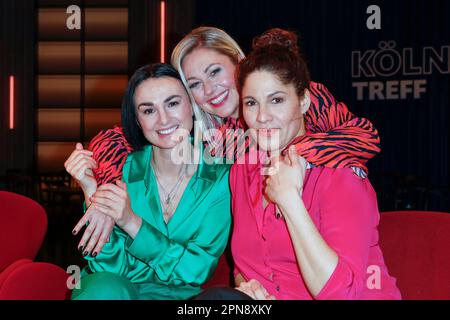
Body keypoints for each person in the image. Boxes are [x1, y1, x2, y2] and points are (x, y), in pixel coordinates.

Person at [72, 26, 381, 261]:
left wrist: (289, 155)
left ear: (239, 62)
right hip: (245, 256)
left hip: (324, 237)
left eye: (215, 72)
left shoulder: (291, 95)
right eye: (194, 84)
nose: (209, 90)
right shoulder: (206, 133)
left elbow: (364, 136)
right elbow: (112, 138)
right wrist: (106, 195)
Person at [224, 28, 401, 300]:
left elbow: (340, 294)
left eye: (277, 100)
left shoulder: (339, 173)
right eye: (251, 103)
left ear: (304, 101)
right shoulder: (242, 170)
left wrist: (289, 200)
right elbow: (245, 265)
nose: (262, 116)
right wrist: (250, 288)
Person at [64, 63, 231, 300]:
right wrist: (91, 191)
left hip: (184, 298)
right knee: (104, 289)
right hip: (118, 291)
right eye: (148, 110)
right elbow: (110, 268)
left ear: (192, 106)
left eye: (172, 103)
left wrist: (131, 222)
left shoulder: (221, 179)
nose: (163, 120)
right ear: (137, 120)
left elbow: (196, 271)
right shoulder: (119, 170)